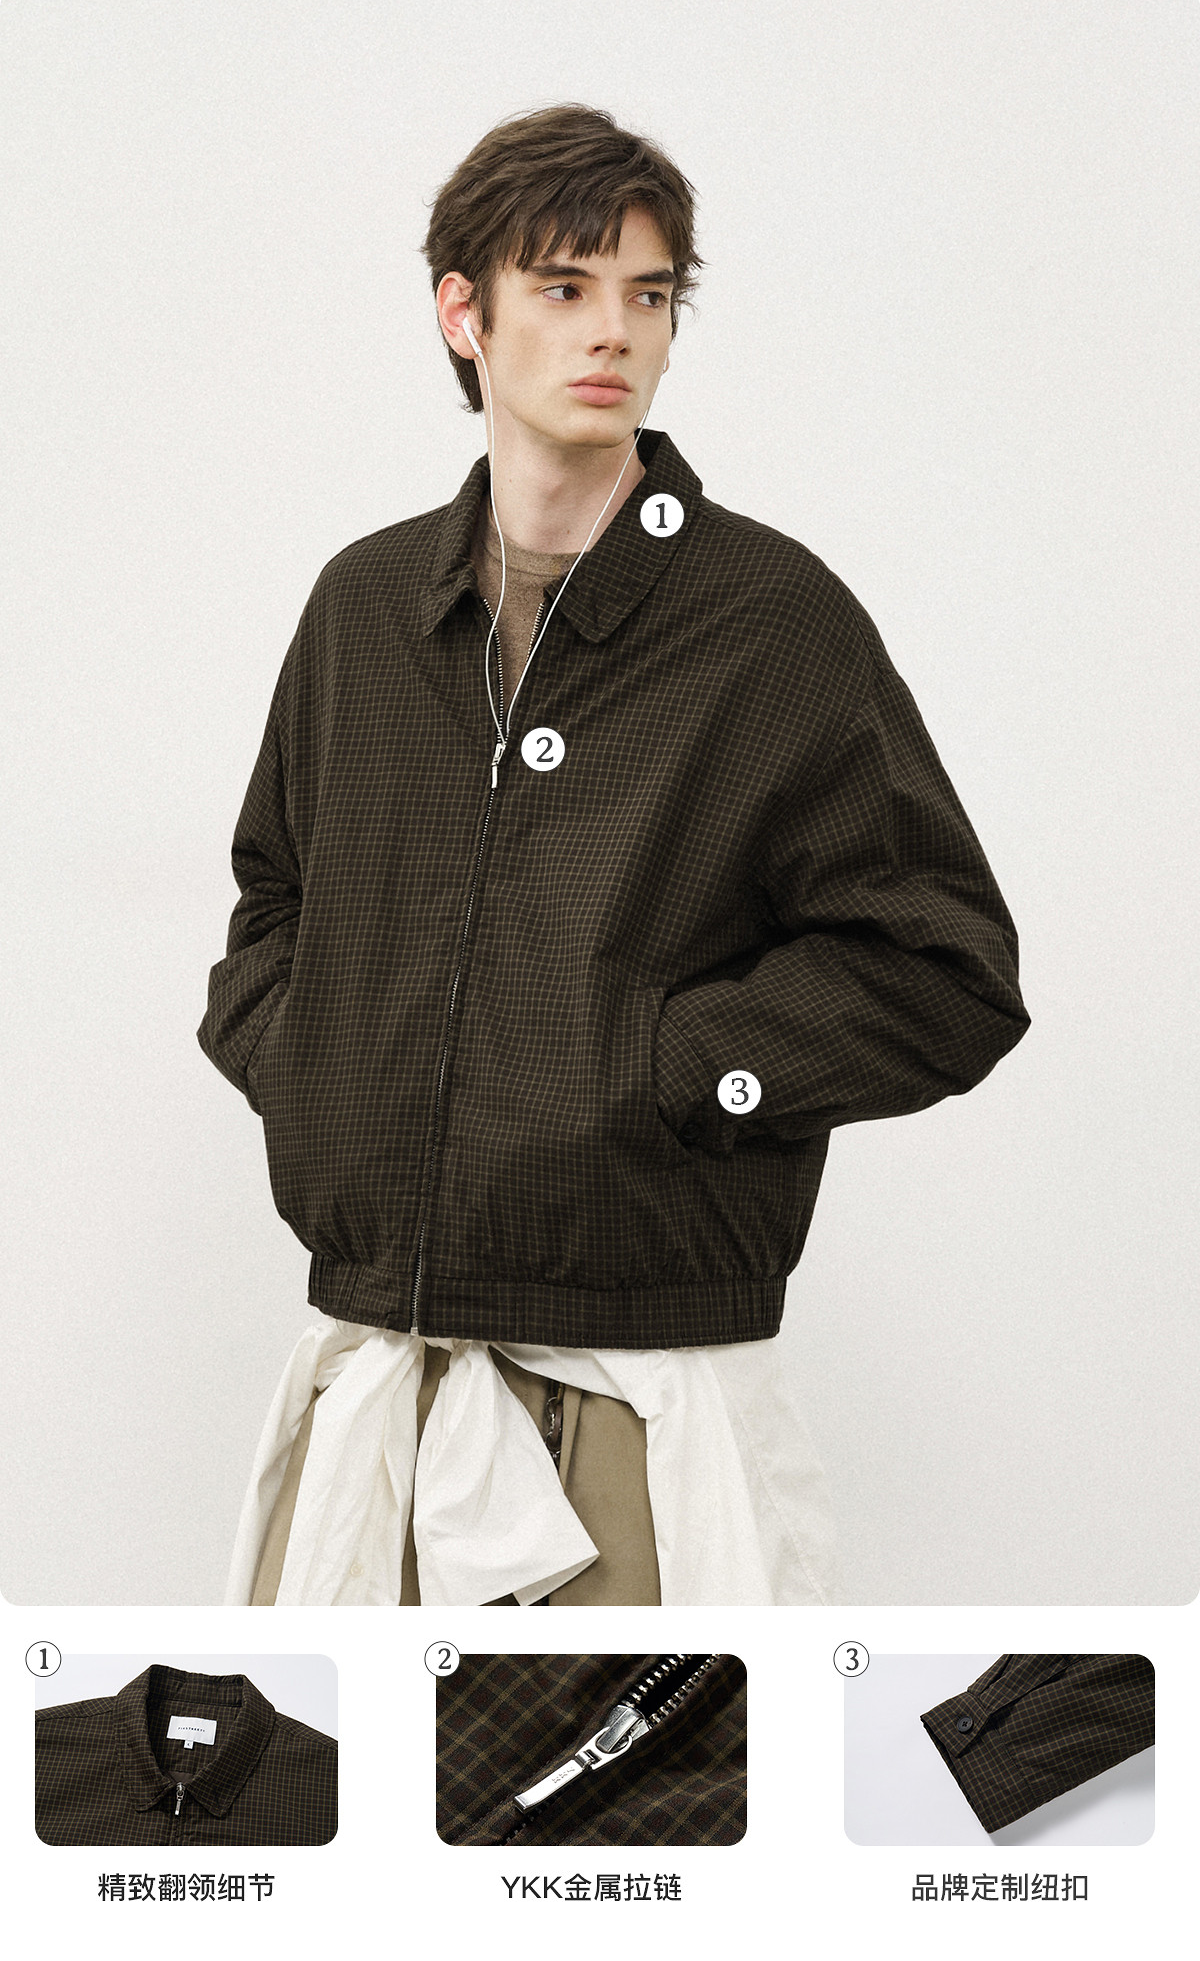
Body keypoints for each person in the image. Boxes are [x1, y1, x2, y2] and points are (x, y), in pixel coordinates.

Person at [200, 104, 1029, 1608]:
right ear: (464, 312)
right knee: (321, 1756)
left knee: (638, 1769)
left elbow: (945, 971)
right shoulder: (365, 608)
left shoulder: (768, 619)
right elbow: (275, 908)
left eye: (649, 294)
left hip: (631, 1410)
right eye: (566, 287)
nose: (615, 331)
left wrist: (671, 1069)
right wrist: (320, 1074)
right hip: (373, 1389)